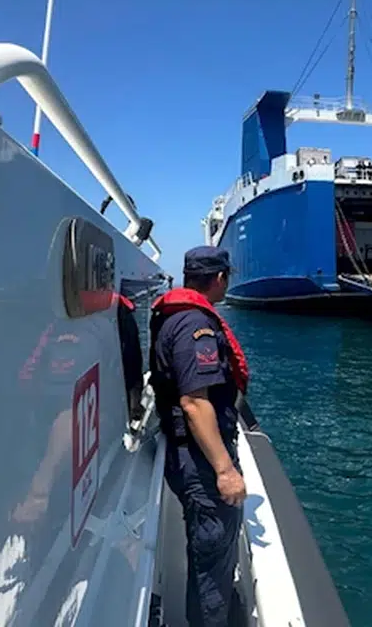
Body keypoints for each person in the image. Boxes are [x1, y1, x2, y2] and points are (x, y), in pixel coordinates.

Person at [149, 247, 250, 626]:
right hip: (201, 462)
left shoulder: (172, 317)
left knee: (208, 551)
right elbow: (194, 402)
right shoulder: (196, 326)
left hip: (186, 453)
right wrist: (225, 470)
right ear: (219, 278)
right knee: (212, 556)